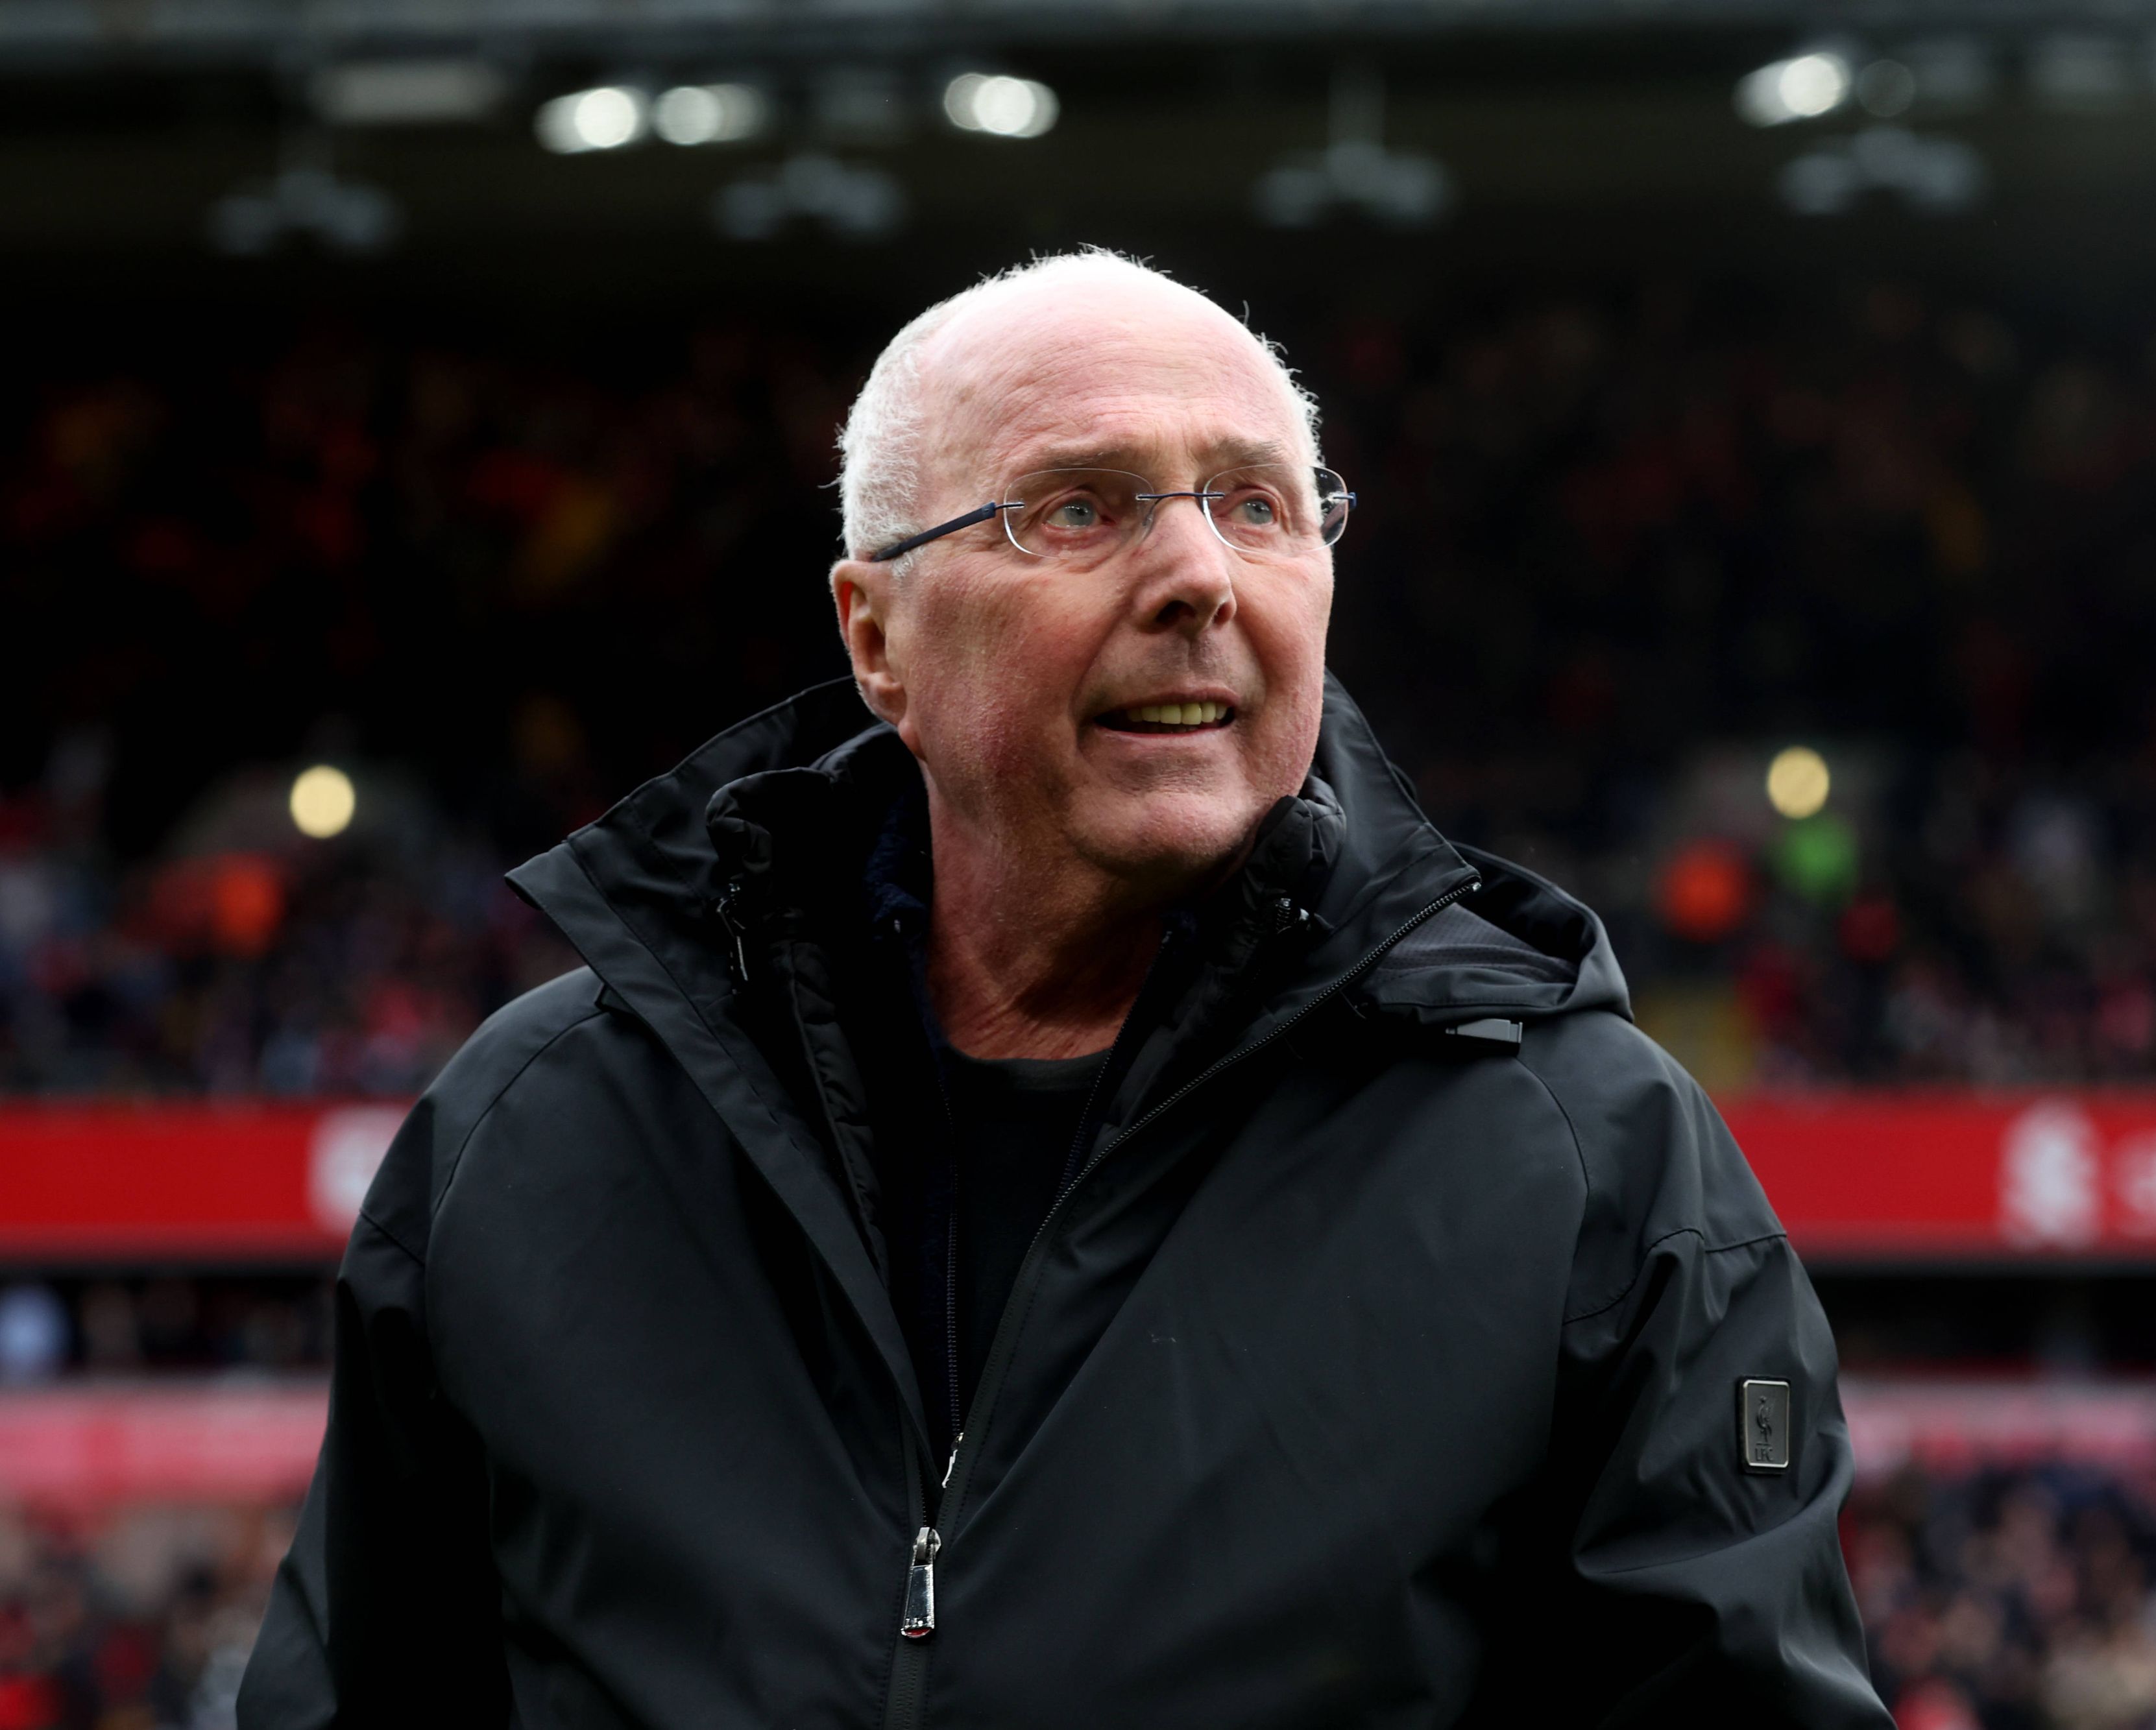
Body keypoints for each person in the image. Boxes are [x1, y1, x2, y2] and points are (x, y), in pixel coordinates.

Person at [239, 250, 1887, 1729]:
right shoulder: (530, 1132)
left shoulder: (1591, 1155)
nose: (1200, 578)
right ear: (874, 635)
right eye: (1079, 508)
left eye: (1257, 504)